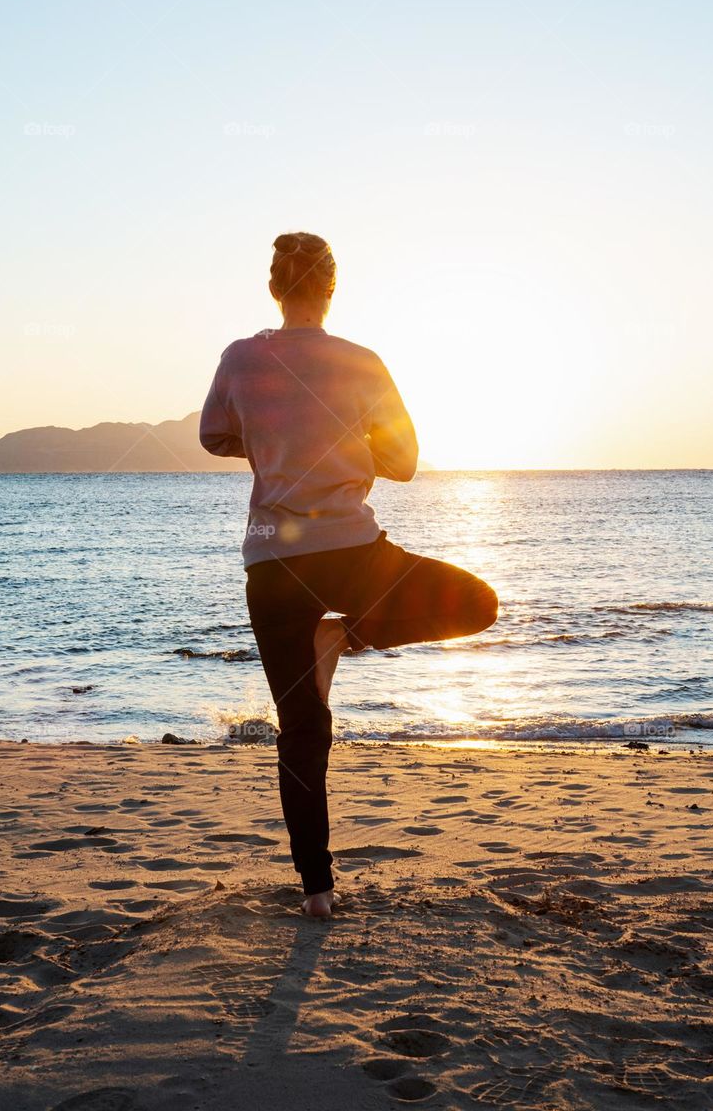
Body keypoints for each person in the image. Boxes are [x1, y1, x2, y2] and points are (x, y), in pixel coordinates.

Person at [200, 232, 499, 916]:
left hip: (272, 558)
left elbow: (214, 436)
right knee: (478, 605)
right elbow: (403, 462)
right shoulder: (362, 363)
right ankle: (348, 636)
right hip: (353, 553)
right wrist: (342, 435)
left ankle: (317, 892)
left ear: (275, 289)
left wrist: (273, 434)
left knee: (302, 729)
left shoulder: (241, 358)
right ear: (331, 290)